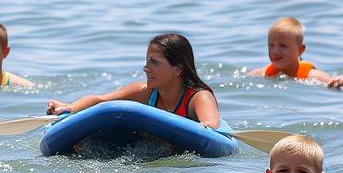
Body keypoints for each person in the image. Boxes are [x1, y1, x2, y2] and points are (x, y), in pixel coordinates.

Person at [47, 32, 221, 127]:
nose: (146, 68)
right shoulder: (144, 92)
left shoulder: (198, 97)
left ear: (177, 69)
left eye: (154, 62)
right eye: (146, 61)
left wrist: (205, 126)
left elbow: (211, 125)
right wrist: (69, 107)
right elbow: (99, 100)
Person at [248, 17, 331, 82]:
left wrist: (338, 82)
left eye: (283, 46)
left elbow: (335, 81)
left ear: (300, 50)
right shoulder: (262, 74)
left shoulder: (311, 76)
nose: (275, 52)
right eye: (271, 45)